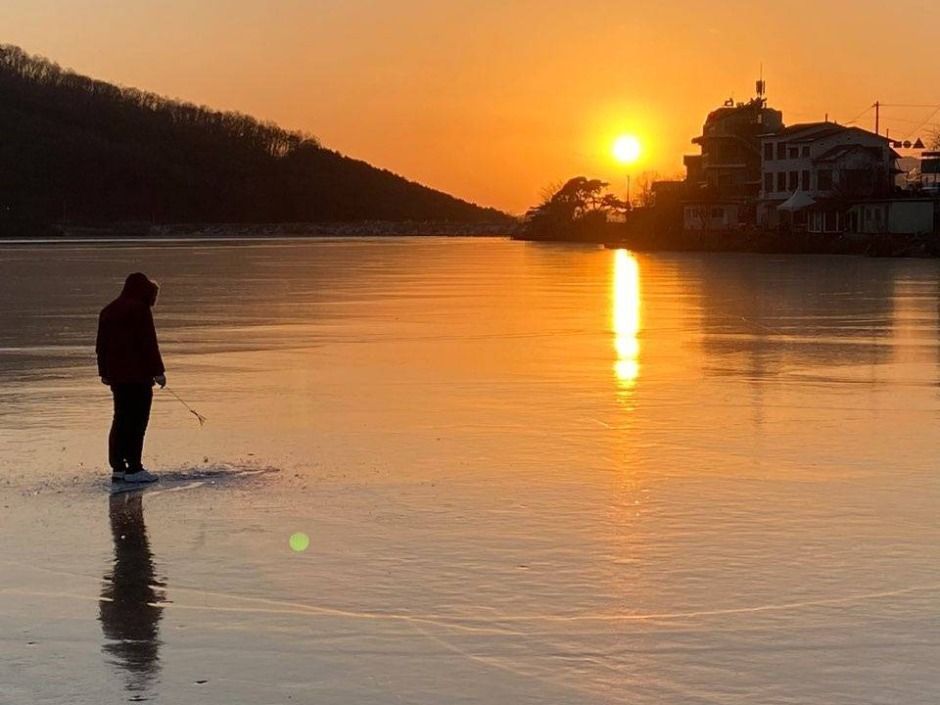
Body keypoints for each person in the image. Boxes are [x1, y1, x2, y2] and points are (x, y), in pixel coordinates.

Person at [96, 272, 166, 483]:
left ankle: (118, 467)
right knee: (137, 423)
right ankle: (134, 468)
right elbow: (148, 343)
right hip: (138, 377)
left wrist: (104, 372)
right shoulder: (139, 310)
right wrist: (158, 371)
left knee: (120, 420)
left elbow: (101, 346)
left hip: (117, 377)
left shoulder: (108, 310)